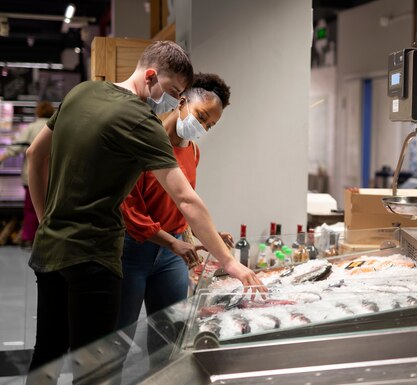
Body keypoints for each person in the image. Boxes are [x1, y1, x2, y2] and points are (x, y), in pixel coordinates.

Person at [25, 41, 266, 376]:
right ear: (151, 75)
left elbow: (35, 156)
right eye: (172, 91)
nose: (173, 101)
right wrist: (230, 263)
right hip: (97, 256)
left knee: (47, 357)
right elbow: (185, 198)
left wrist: (43, 221)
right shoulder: (142, 122)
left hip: (51, 248)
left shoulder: (82, 92)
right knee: (97, 369)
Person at [118, 72, 232, 334]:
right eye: (202, 117)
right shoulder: (143, 141)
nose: (202, 128)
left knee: (171, 337)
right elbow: (129, 211)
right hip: (133, 251)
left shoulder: (192, 151)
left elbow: (182, 205)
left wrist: (205, 236)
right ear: (181, 102)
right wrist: (171, 241)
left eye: (209, 125)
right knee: (119, 338)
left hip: (172, 255)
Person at [0, 101, 55, 248]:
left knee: (31, 209)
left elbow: (16, 148)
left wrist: (2, 158)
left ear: (38, 112)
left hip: (33, 176)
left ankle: (29, 238)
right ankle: (49, 239)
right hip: (54, 177)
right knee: (52, 208)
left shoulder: (31, 128)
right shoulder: (58, 126)